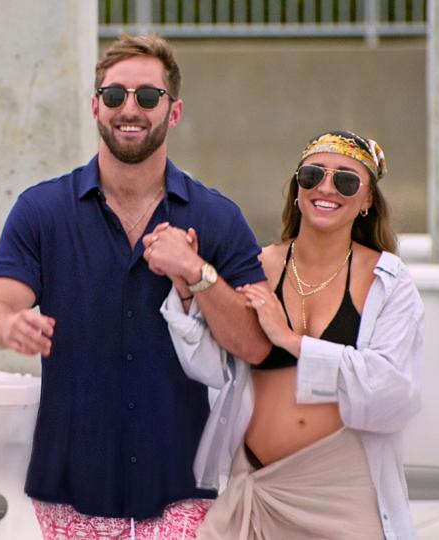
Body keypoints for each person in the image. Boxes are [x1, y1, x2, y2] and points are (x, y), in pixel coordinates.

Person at [0, 34, 272, 539]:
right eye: (115, 96)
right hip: (71, 490)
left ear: (173, 112)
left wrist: (197, 273)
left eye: (148, 97)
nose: (129, 109)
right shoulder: (41, 211)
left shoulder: (216, 218)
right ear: (96, 106)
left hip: (184, 486)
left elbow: (255, 343)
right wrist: (11, 326)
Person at [154, 130, 424, 539]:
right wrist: (189, 291)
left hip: (341, 499)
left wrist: (293, 342)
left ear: (368, 200)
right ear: (297, 190)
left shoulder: (388, 279)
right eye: (312, 175)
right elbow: (214, 368)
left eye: (346, 180)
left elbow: (393, 394)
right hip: (254, 491)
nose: (326, 187)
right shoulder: (256, 265)